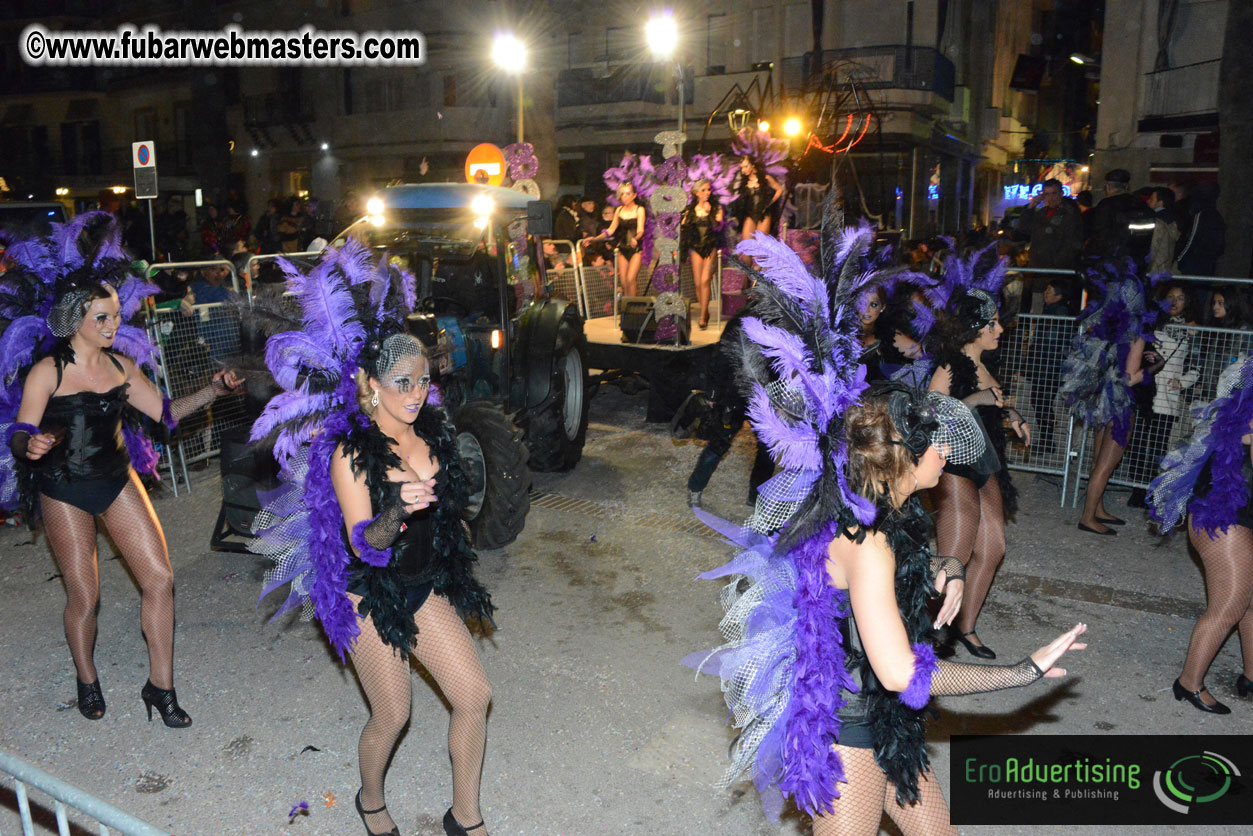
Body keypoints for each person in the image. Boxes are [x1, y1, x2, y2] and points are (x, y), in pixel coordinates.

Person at [686, 210, 1087, 835]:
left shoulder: (878, 510)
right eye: (941, 447)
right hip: (849, 724)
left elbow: (894, 581)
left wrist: (946, 571)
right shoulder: (865, 540)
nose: (948, 457)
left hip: (884, 718)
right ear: (914, 459)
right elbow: (900, 669)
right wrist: (1023, 673)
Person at [249, 243, 494, 836]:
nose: (416, 392)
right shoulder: (347, 451)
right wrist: (398, 510)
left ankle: (465, 817)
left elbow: (451, 514)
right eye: (402, 382)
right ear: (371, 385)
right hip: (367, 590)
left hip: (419, 584)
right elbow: (364, 543)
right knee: (394, 714)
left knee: (474, 695)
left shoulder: (430, 429)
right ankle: (371, 799)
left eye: (423, 380)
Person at [0, 212, 242, 726]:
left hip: (115, 479)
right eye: (103, 318)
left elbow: (168, 413)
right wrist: (30, 445)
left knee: (159, 579)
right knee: (85, 595)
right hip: (63, 487)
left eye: (115, 316)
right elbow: (18, 431)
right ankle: (87, 678)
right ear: (75, 321)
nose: (114, 325)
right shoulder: (48, 371)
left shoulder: (118, 367)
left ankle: (161, 687)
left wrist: (215, 389)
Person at [927, 268, 1029, 659]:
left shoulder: (987, 366)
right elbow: (930, 413)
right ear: (974, 328)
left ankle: (965, 626)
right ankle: (932, 630)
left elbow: (992, 404)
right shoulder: (949, 367)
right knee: (955, 552)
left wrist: (1013, 414)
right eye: (992, 323)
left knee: (993, 548)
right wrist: (976, 401)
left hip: (987, 462)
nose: (999, 329)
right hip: (954, 464)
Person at [1148, 356, 1253, 714]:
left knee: (1249, 601)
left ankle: (1251, 678)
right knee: (1229, 607)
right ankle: (1189, 684)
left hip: (1240, 509)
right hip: (1224, 514)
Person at [1058, 265, 1152, 534]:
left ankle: (1097, 509)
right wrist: (1152, 368)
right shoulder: (1137, 328)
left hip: (1101, 399)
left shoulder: (1102, 321)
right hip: (1120, 403)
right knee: (1106, 464)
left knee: (1098, 459)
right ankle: (1088, 517)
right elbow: (1130, 376)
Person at [1125, 283, 1200, 508]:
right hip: (1147, 389)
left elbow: (1196, 366)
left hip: (1168, 394)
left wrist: (1182, 382)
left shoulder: (1192, 330)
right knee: (1137, 440)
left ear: (1187, 302)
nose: (1174, 302)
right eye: (1170, 297)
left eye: (1180, 298)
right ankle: (1135, 486)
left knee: (1157, 443)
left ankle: (1148, 487)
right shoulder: (1153, 323)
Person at [1015, 179, 1083, 309]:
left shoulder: (1070, 214)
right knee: (1037, 308)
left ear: (1061, 193)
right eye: (1046, 194)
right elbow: (1024, 228)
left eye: (1054, 193)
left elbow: (1072, 243)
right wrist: (1031, 206)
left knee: (1055, 311)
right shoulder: (1042, 213)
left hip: (1057, 271)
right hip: (1039, 269)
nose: (1050, 198)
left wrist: (1058, 264)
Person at [1026, 278, 1074, 456]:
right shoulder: (1052, 310)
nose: (1046, 293)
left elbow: (1051, 343)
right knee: (1039, 401)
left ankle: (1047, 440)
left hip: (1049, 366)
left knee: (1042, 402)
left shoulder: (1059, 312)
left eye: (1050, 290)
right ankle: (1046, 439)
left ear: (1059, 295)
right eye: (1046, 289)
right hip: (1045, 365)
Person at [583, 182, 646, 298]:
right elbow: (610, 230)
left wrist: (636, 238)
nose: (625, 197)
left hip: (636, 248)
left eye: (628, 194)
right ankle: (627, 311)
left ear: (634, 195)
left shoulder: (639, 210)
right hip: (622, 248)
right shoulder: (618, 210)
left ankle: (634, 309)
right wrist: (595, 239)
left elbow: (641, 230)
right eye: (622, 194)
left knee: (631, 279)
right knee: (624, 281)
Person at [679, 179, 724, 328]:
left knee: (705, 281)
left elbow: (719, 229)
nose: (707, 193)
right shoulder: (690, 210)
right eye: (703, 190)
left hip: (710, 247)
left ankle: (703, 315)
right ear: (696, 192)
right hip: (696, 248)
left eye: (708, 190)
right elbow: (683, 230)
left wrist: (710, 213)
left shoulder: (716, 208)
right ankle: (704, 310)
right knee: (698, 283)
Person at [1086, 168, 1153, 265]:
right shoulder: (1140, 204)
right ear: (1127, 186)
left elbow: (1100, 233)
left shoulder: (1107, 205)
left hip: (1113, 261)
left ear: (1108, 186)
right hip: (1138, 259)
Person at [1175, 181, 1225, 277]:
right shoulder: (1216, 216)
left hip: (1193, 265)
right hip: (1208, 265)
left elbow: (1191, 240)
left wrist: (1179, 260)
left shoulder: (1201, 215)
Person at [734, 155, 785, 241]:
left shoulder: (765, 178)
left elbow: (779, 189)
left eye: (746, 166)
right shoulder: (744, 183)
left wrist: (771, 201)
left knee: (761, 247)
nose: (743, 170)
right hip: (750, 214)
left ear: (753, 165)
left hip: (763, 214)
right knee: (747, 247)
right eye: (742, 168)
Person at [1146, 186, 1180, 276]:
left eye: (1152, 199)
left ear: (1160, 203)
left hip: (1154, 271)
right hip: (1166, 270)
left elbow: (1153, 247)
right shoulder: (1173, 221)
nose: (1148, 201)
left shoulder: (1157, 222)